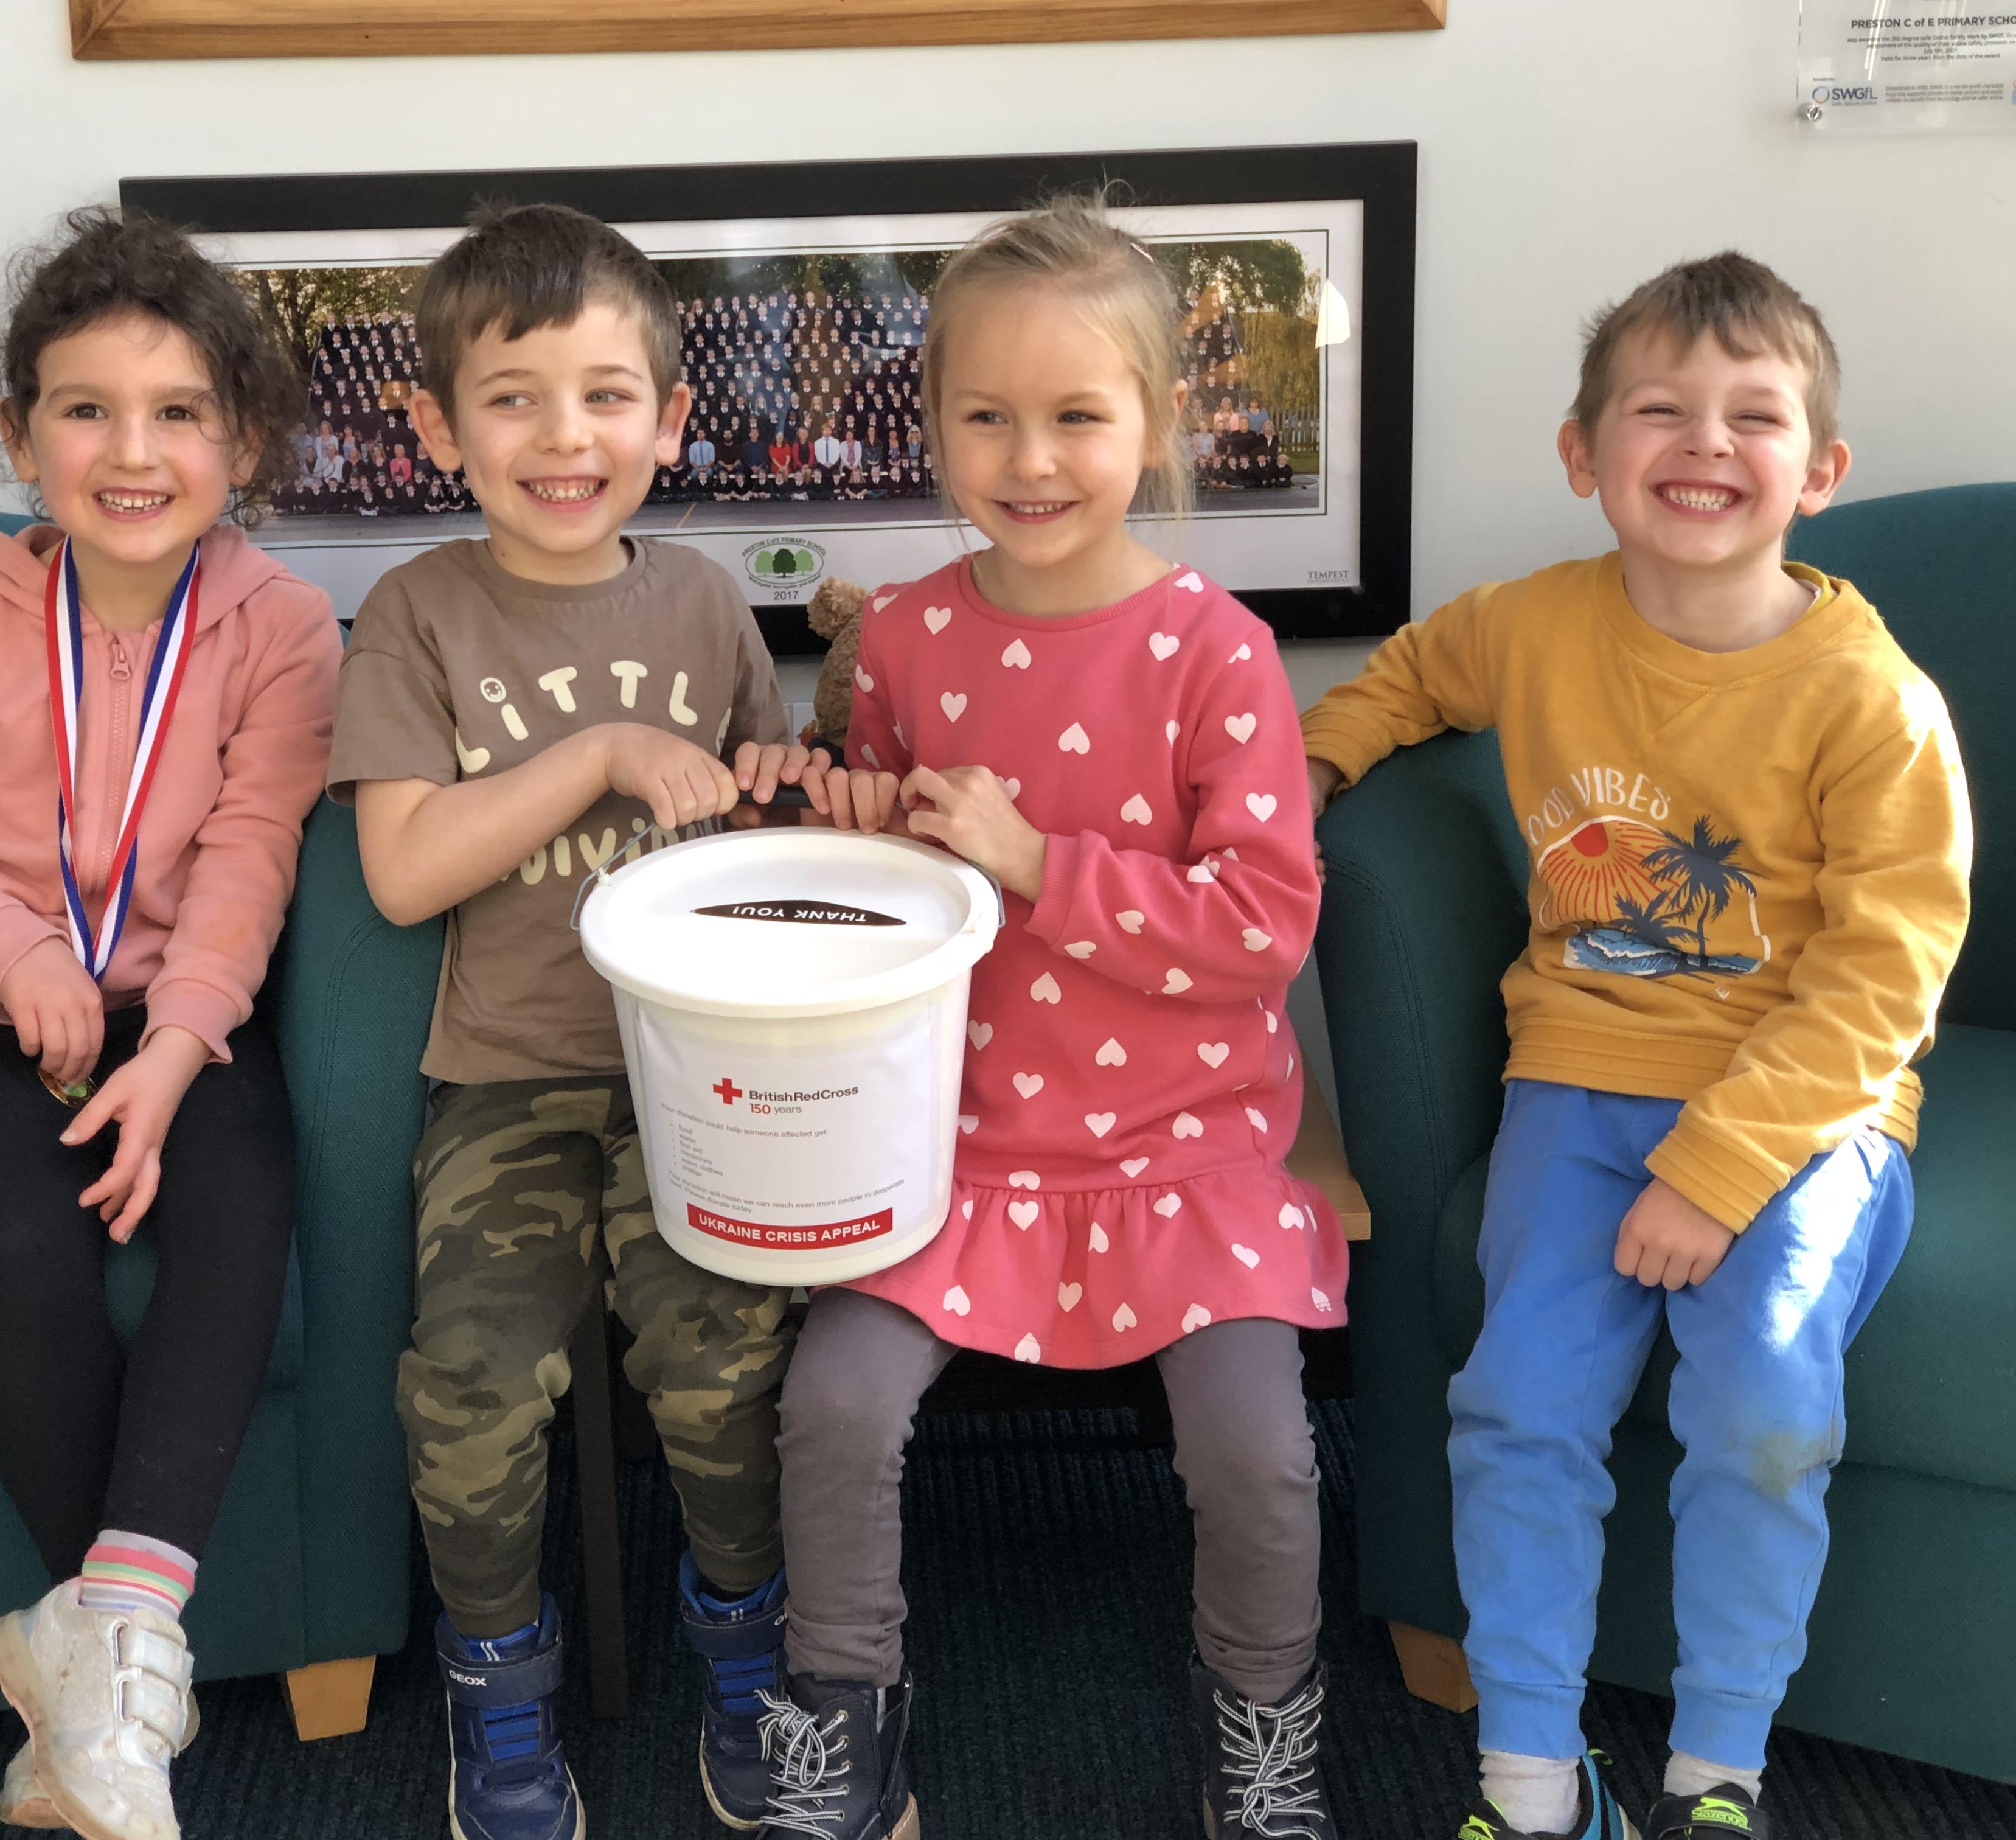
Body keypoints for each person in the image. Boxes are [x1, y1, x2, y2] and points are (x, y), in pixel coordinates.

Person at [1300, 253, 1970, 1840]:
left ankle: (1718, 1776)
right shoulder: (1534, 624)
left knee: (1763, 1413)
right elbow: (1406, 678)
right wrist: (1311, 769)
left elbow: (1886, 976)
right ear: (1583, 452)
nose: (1705, 443)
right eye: (1661, 410)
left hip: (1799, 1112)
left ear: (1820, 470)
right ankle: (1532, 1783)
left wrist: (1718, 1172)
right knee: (1518, 1407)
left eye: (1754, 416)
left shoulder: (1874, 700)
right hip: (1579, 1081)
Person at [763, 195, 1345, 1840]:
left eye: (1078, 416)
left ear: (1156, 423)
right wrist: (856, 823)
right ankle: (842, 1711)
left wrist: (1040, 862)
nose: (1030, 460)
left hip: (1184, 1155)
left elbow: (1264, 930)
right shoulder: (905, 637)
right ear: (933, 420)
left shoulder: (1217, 652)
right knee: (834, 1406)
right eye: (986, 417)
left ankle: (1265, 1726)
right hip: (949, 1148)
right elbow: (889, 905)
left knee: (1260, 1454)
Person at [0, 206, 338, 1840]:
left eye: (180, 412)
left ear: (241, 441)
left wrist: (174, 1053)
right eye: (87, 410)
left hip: (185, 1018)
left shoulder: (283, 632)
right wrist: (5, 950)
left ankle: (98, 1656)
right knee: (19, 1246)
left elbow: (250, 861)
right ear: (19, 430)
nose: (133, 450)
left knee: (241, 1214)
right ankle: (124, 1670)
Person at [327, 202, 831, 1840]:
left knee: (723, 1357)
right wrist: (602, 752)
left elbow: (752, 840)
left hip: (703, 1077)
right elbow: (403, 872)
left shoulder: (701, 600)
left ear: (669, 419)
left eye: (607, 395)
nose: (566, 437)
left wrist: (796, 783)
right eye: (515, 398)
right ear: (437, 428)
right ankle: (499, 1685)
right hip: (511, 1085)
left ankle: (748, 1649)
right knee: (468, 1377)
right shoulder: (417, 612)